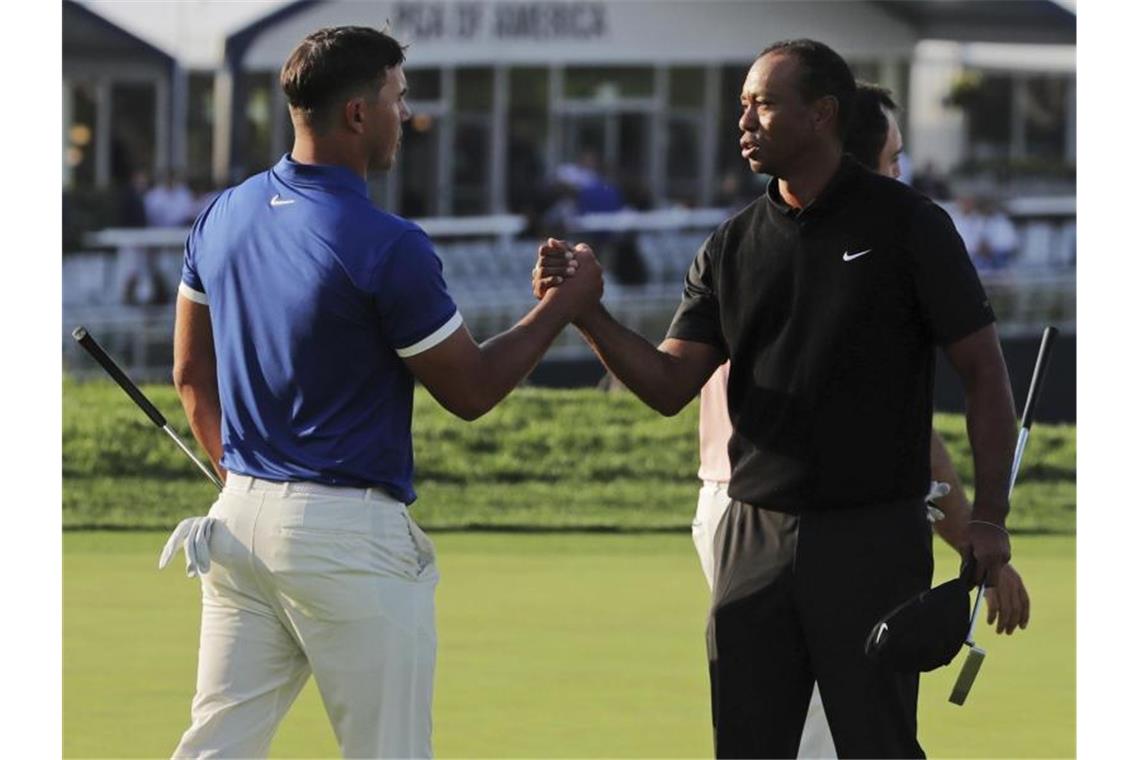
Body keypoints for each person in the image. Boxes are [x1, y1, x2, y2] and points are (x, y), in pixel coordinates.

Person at [534, 40, 1017, 758]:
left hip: (873, 537)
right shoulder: (729, 246)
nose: (745, 122)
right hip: (751, 538)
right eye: (742, 107)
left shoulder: (909, 224)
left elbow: (985, 374)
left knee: (877, 745)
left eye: (762, 104)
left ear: (822, 114)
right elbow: (670, 385)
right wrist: (586, 313)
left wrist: (988, 518)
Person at [165, 26, 601, 759]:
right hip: (343, 537)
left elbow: (188, 378)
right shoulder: (385, 241)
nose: (409, 113)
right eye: (400, 98)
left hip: (237, 519)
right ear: (359, 114)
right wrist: (564, 305)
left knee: (216, 748)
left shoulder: (223, 212)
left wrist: (234, 470)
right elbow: (471, 390)